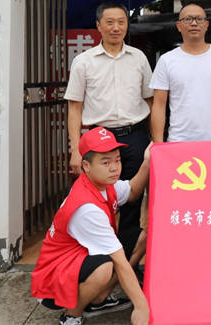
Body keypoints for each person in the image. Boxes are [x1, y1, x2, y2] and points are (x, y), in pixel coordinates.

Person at [31, 127, 151, 325]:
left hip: (78, 259)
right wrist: (141, 307)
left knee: (142, 237)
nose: (114, 168)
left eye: (117, 160)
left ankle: (98, 299)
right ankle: (72, 315)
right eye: (106, 162)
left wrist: (147, 161)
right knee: (105, 267)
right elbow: (120, 261)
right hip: (52, 283)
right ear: (86, 166)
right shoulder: (86, 208)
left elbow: (131, 191)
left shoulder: (103, 183)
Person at [64, 2, 153, 259]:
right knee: (98, 200)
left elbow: (151, 101)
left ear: (127, 25)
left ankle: (127, 265)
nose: (116, 27)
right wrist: (75, 149)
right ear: (98, 26)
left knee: (133, 202)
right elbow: (74, 108)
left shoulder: (138, 58)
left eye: (121, 22)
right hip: (99, 139)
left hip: (135, 137)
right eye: (110, 22)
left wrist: (155, 139)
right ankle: (100, 261)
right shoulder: (84, 61)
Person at [150, 3, 211, 143]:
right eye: (188, 19)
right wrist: (158, 143)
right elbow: (159, 105)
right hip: (179, 141)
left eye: (199, 19)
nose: (194, 23)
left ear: (206, 25)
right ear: (179, 26)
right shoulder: (166, 60)